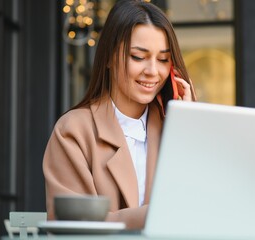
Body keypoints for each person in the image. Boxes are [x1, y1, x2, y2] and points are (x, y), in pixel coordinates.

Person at [43, 0, 196, 230]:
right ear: (108, 58)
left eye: (163, 59)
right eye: (138, 56)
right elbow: (75, 227)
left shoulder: (174, 130)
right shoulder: (73, 131)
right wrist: (160, 214)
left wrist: (188, 125)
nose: (153, 71)